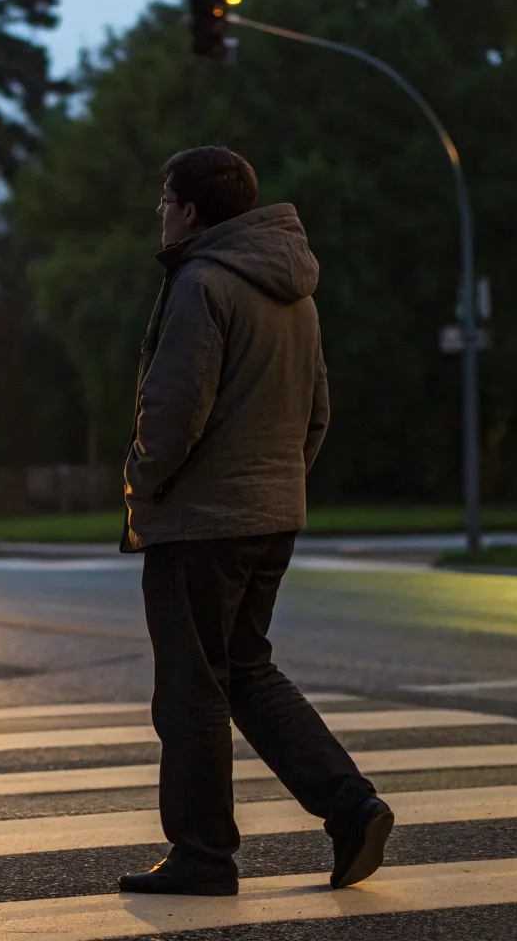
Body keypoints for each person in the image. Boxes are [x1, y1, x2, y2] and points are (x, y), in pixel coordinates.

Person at [114, 146, 391, 897]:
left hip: (200, 520)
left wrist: (143, 482)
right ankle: (351, 807)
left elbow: (173, 410)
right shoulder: (295, 292)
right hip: (271, 513)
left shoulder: (201, 282)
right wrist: (277, 484)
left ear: (193, 210)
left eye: (166, 201)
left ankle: (203, 855)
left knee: (191, 688)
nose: (160, 215)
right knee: (245, 671)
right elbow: (318, 411)